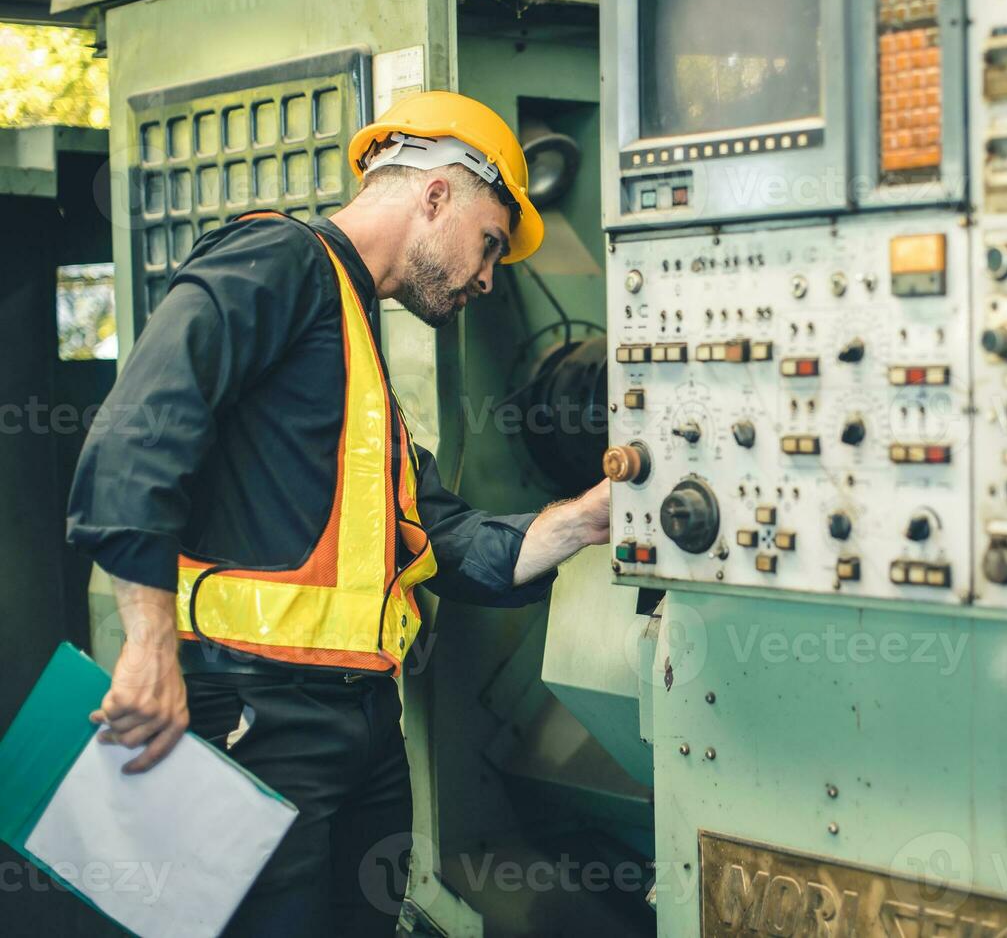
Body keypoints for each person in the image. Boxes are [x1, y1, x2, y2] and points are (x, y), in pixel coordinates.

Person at [65, 90, 610, 935]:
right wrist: (146, 645)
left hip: (359, 725)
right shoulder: (277, 259)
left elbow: (449, 541)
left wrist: (589, 519)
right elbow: (137, 431)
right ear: (436, 196)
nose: (485, 278)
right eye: (489, 244)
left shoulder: (356, 345)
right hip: (253, 718)